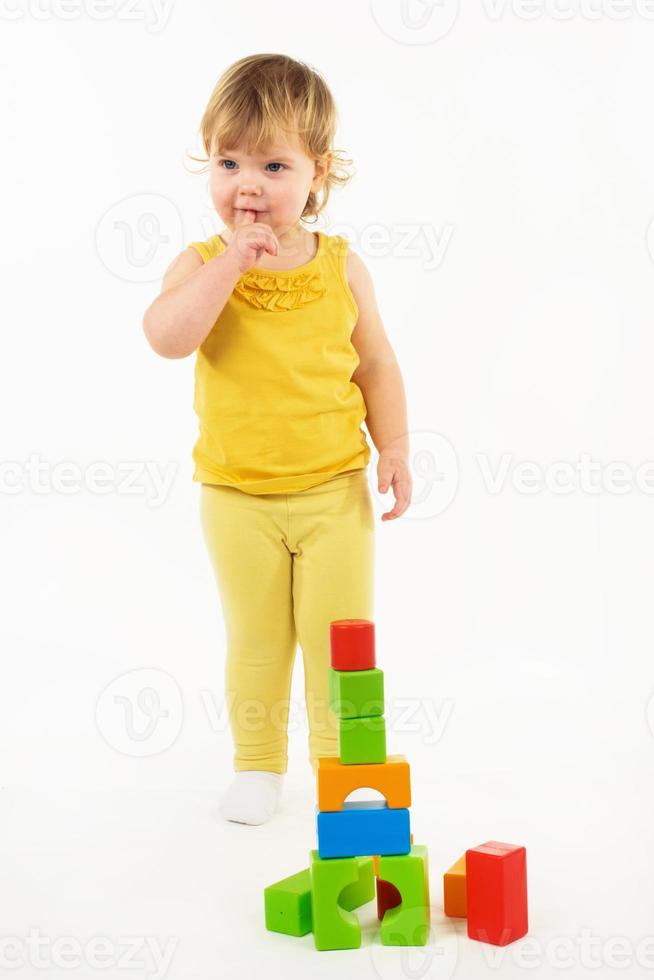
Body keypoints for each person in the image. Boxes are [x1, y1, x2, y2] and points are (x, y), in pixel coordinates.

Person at [142, 53, 412, 825]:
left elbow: (377, 361)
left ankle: (346, 771)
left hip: (334, 494)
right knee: (258, 644)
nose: (247, 184)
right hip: (237, 497)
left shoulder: (342, 266)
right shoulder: (199, 264)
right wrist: (231, 262)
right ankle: (258, 766)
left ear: (317, 173)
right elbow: (166, 336)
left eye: (272, 162)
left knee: (340, 646)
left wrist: (393, 446)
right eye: (228, 161)